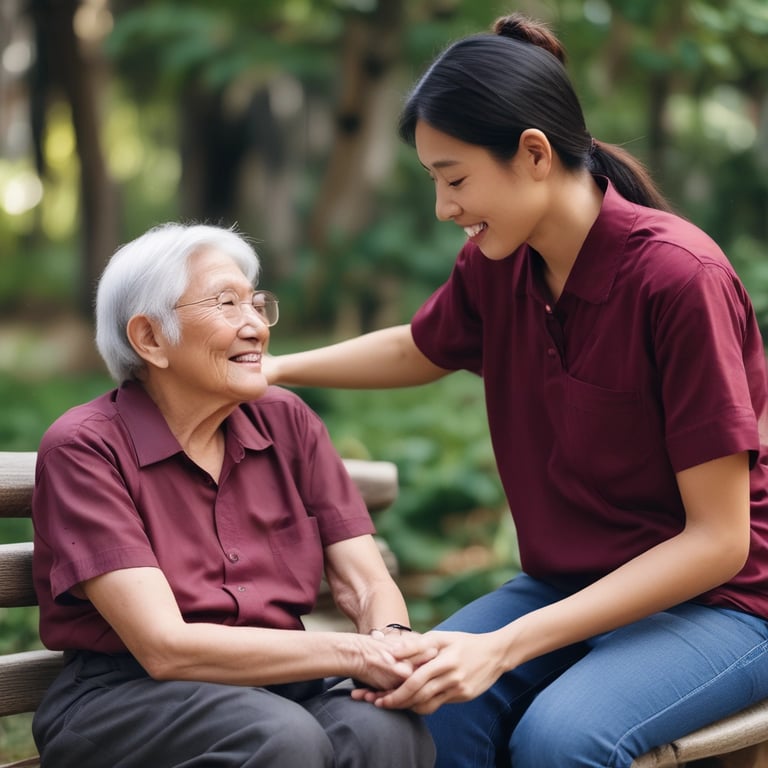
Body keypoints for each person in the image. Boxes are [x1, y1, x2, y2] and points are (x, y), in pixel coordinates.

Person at [264, 12, 768, 768]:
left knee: (559, 740)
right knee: (421, 717)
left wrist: (502, 645)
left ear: (533, 153)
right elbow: (418, 347)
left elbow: (719, 541)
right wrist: (272, 370)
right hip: (565, 587)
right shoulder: (501, 261)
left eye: (455, 178)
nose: (444, 209)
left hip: (721, 605)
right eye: (435, 181)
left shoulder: (678, 279)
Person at [30, 222, 436, 768]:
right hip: (127, 697)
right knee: (280, 737)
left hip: (280, 682)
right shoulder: (86, 448)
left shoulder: (286, 420)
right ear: (150, 338)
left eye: (256, 303)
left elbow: (365, 581)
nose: (256, 327)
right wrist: (356, 651)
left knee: (384, 728)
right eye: (227, 304)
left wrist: (390, 639)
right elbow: (163, 646)